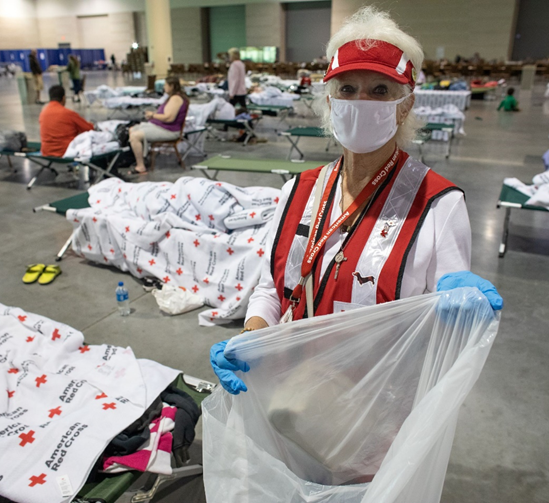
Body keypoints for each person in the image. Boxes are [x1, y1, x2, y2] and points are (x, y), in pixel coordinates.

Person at [210, 7, 504, 395]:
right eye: (347, 89)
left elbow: (437, 335)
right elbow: (272, 290)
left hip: (373, 409)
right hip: (284, 391)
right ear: (330, 102)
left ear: (406, 105)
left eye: (380, 90)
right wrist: (251, 338)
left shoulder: (436, 206)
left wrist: (463, 319)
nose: (361, 101)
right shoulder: (298, 191)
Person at [126, 76, 188, 175]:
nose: (164, 87)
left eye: (165, 85)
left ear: (171, 86)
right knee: (132, 129)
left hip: (169, 131)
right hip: (161, 126)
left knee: (135, 136)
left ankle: (140, 166)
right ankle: (142, 157)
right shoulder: (171, 98)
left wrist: (153, 115)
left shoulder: (176, 99)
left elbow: (169, 118)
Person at [39, 85, 94, 157]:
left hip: (46, 152)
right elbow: (89, 129)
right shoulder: (68, 113)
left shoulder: (43, 113)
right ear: (63, 98)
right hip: (66, 152)